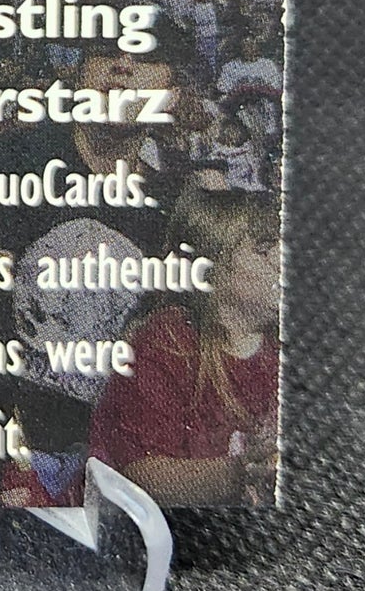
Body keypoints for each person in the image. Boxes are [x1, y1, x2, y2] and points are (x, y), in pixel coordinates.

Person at [88, 188, 282, 505]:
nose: (280, 261)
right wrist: (239, 475)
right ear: (209, 271)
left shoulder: (278, 351)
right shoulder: (170, 342)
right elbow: (143, 475)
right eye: (263, 251)